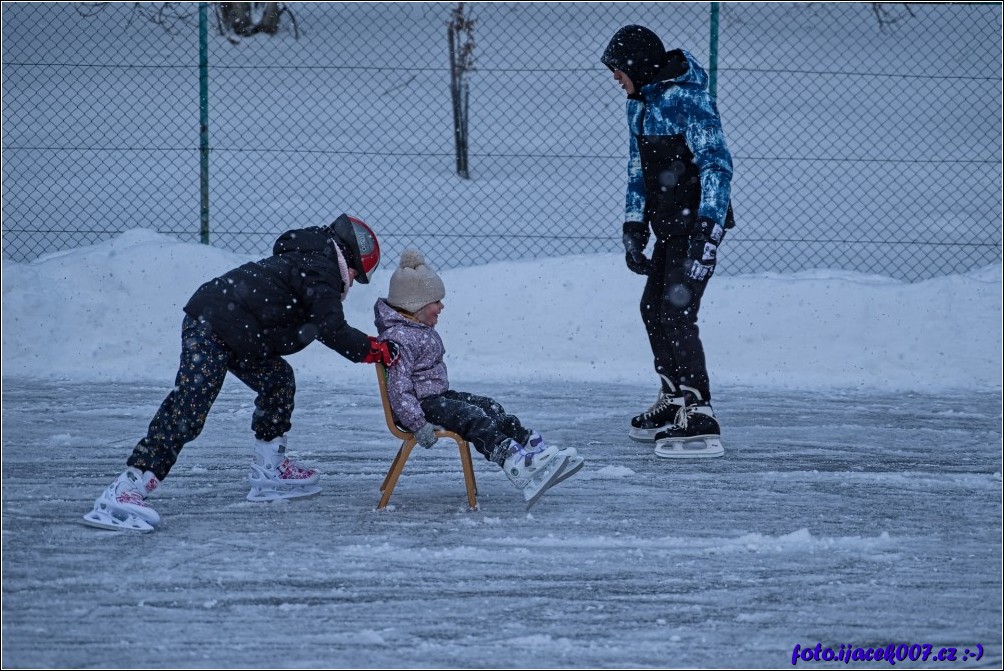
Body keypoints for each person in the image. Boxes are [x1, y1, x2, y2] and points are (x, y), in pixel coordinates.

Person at [82, 214, 401, 532]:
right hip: (214, 323)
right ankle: (129, 486)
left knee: (278, 379)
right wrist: (371, 349)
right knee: (192, 402)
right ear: (351, 260)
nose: (353, 279)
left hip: (240, 332)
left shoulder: (310, 258)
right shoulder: (322, 267)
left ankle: (269, 471)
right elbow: (331, 328)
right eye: (357, 273)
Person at [601, 25, 735, 458]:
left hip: (695, 228)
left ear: (639, 66)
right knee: (651, 309)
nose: (615, 78)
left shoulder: (686, 99)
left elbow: (717, 165)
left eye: (619, 70)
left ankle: (700, 410)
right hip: (667, 228)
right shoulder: (639, 105)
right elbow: (636, 169)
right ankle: (674, 397)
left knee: (676, 314)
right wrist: (634, 225)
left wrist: (708, 230)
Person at [373, 250, 584, 509]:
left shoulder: (415, 330)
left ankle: (530, 447)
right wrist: (417, 423)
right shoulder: (400, 339)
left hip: (433, 399)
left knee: (487, 406)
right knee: (470, 415)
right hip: (419, 408)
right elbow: (399, 389)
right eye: (436, 301)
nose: (442, 307)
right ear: (415, 305)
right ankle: (515, 464)